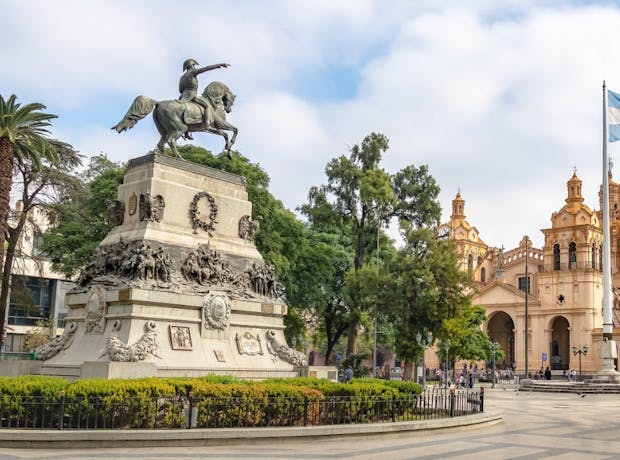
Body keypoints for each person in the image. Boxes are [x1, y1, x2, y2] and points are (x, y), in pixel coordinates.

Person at [178, 59, 230, 138]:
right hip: (192, 95)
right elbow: (205, 69)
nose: (195, 67)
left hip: (182, 96)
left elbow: (180, 90)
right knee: (207, 106)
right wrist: (219, 65)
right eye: (194, 66)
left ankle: (187, 131)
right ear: (191, 66)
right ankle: (207, 124)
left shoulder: (182, 77)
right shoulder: (192, 72)